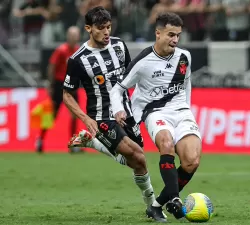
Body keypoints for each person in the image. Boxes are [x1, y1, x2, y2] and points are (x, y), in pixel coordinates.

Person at [62, 6, 158, 217]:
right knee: (139, 157)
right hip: (101, 117)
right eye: (101, 28)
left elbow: (130, 75)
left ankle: (93, 142)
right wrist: (85, 118)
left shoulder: (119, 46)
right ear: (88, 28)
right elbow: (67, 95)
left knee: (134, 160)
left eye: (108, 27)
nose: (106, 32)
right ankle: (153, 206)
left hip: (125, 112)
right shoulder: (78, 60)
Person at [110, 12, 202, 222]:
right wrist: (118, 110)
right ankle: (176, 199)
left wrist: (187, 109)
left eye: (178, 35)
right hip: (155, 113)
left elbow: (186, 84)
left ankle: (157, 205)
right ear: (158, 33)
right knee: (166, 144)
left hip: (181, 111)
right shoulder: (143, 61)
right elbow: (118, 89)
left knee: (192, 161)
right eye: (171, 34)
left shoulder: (184, 57)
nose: (175, 40)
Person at [36, 26, 81, 153]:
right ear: (68, 36)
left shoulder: (78, 51)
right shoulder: (61, 50)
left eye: (75, 35)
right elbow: (51, 67)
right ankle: (40, 139)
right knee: (52, 115)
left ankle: (73, 145)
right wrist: (50, 84)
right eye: (71, 35)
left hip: (72, 86)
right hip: (59, 85)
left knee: (75, 114)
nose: (73, 38)